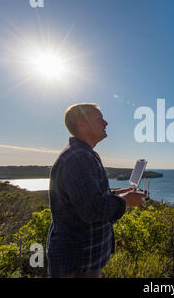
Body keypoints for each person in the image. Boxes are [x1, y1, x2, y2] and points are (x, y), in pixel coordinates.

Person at [46, 103, 146, 278]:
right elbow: (93, 210)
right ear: (82, 125)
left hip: (82, 258)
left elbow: (89, 197)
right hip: (77, 261)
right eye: (99, 119)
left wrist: (118, 193)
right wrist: (125, 199)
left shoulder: (84, 154)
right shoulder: (78, 158)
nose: (106, 123)